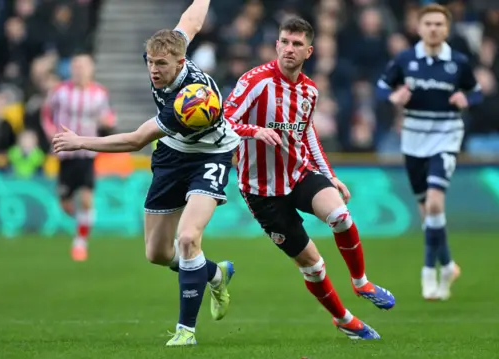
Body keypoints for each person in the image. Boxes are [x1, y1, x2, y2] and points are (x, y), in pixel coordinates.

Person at [52, 0, 239, 346]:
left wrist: (81, 142)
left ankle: (186, 331)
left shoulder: (188, 101)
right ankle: (215, 272)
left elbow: (135, 139)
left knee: (186, 239)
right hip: (171, 156)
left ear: (181, 63)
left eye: (161, 64)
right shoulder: (167, 49)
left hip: (210, 155)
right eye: (151, 62)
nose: (154, 69)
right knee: (157, 254)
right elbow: (190, 21)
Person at [223, 17, 395, 340]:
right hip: (262, 192)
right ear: (276, 45)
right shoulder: (255, 81)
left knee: (341, 216)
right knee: (313, 265)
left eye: (297, 44)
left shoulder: (310, 91)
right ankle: (344, 319)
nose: (289, 49)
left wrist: (330, 176)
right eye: (284, 42)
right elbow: (224, 120)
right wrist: (255, 131)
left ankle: (361, 283)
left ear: (309, 51)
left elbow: (308, 134)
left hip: (298, 173)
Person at [376, 4, 482, 300]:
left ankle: (428, 273)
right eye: (429, 24)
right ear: (419, 28)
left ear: (446, 29)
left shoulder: (458, 62)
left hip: (446, 137)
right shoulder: (405, 60)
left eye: (439, 24)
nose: (434, 28)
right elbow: (381, 87)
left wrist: (466, 98)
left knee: (435, 204)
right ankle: (447, 264)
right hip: (413, 141)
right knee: (427, 212)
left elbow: (477, 91)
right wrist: (393, 95)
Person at [41, 54, 116, 261]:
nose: (79, 70)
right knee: (65, 203)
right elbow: (46, 114)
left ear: (91, 69)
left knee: (85, 198)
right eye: (76, 66)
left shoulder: (100, 93)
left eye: (83, 66)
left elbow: (109, 117)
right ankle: (83, 222)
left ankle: (80, 242)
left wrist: (107, 121)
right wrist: (50, 132)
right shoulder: (60, 92)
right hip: (65, 153)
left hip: (87, 151)